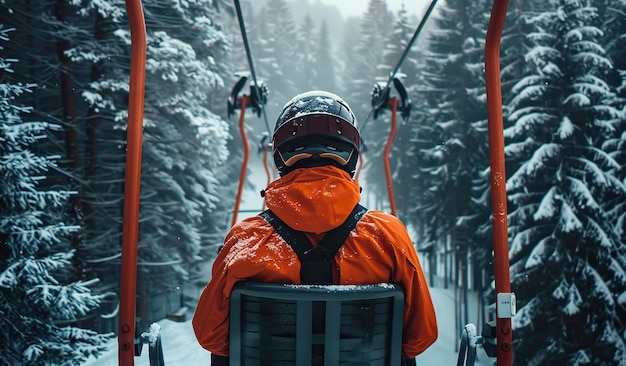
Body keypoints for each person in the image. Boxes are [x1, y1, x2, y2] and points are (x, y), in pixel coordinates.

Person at [192, 91, 438, 365]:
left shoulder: (247, 238)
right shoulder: (387, 235)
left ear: (281, 158)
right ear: (352, 157)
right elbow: (420, 336)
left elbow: (210, 335)